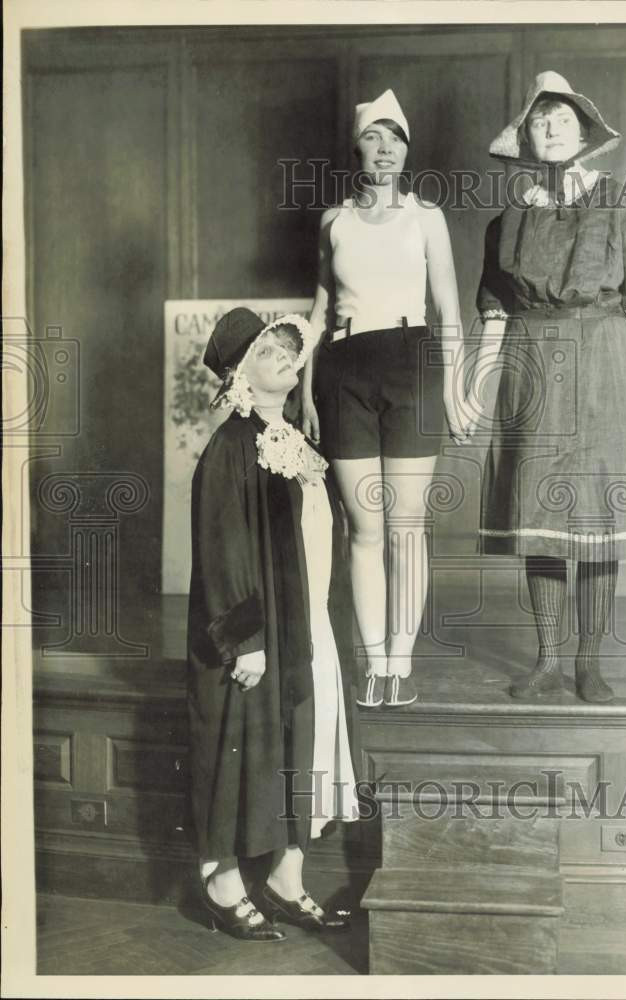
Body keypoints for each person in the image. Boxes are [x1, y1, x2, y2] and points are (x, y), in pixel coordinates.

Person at [467, 71, 626, 704]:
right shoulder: (508, 219)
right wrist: (477, 389)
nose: (552, 127)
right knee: (540, 514)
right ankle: (548, 660)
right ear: (527, 138)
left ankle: (590, 661)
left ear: (584, 132)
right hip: (534, 364)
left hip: (607, 364)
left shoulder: (623, 203)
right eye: (539, 120)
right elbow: (497, 314)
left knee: (597, 517)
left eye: (562, 117)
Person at [187, 307, 360, 940]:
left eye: (289, 350)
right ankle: (222, 882)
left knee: (303, 747)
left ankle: (288, 878)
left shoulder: (297, 440)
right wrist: (248, 643)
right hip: (259, 636)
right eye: (269, 353)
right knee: (243, 750)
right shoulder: (232, 446)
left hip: (307, 623)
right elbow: (222, 550)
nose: (287, 358)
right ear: (239, 377)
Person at [301, 88, 467, 709]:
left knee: (405, 527)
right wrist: (303, 387)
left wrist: (454, 386)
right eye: (373, 137)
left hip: (412, 365)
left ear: (406, 149)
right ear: (357, 148)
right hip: (344, 373)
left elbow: (449, 308)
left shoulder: (427, 217)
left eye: (394, 138)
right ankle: (374, 663)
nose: (384, 148)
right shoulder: (333, 222)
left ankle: (402, 660)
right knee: (364, 529)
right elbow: (318, 311)